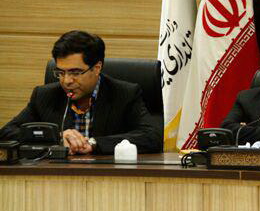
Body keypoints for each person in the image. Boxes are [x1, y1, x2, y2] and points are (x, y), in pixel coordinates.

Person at [0, 31, 162, 155]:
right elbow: (6, 133)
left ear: (97, 68)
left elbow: (151, 136)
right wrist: (56, 137)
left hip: (108, 178)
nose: (66, 81)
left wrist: (93, 143)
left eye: (75, 72)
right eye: (61, 72)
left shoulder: (124, 94)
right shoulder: (44, 95)